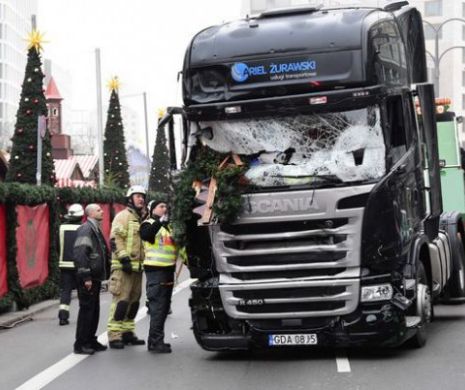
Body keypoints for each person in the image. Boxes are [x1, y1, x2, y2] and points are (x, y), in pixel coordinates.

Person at [140, 200, 186, 353]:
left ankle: (156, 340)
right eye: (161, 206)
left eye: (166, 206)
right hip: (156, 271)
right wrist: (160, 221)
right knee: (158, 308)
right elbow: (147, 235)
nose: (165, 208)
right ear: (152, 209)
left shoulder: (167, 227)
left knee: (164, 308)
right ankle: (155, 342)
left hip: (167, 271)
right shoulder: (148, 224)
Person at [107, 185, 147, 349]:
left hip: (138, 268)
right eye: (137, 196)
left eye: (142, 196)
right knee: (121, 301)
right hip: (123, 267)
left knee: (134, 302)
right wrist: (124, 259)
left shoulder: (141, 218)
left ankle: (127, 332)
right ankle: (114, 335)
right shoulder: (122, 216)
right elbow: (115, 239)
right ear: (130, 199)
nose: (141, 199)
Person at [73, 204, 110, 355]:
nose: (102, 211)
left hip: (95, 277)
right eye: (99, 210)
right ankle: (81, 344)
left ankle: (91, 339)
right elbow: (81, 254)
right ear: (91, 213)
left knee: (94, 310)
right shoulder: (86, 229)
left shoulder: (94, 227)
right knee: (87, 310)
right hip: (88, 278)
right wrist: (86, 277)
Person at [58, 203, 84, 326]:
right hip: (79, 265)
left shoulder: (61, 228)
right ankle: (83, 317)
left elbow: (58, 246)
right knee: (81, 291)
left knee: (65, 291)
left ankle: (63, 317)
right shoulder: (83, 228)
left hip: (64, 265)